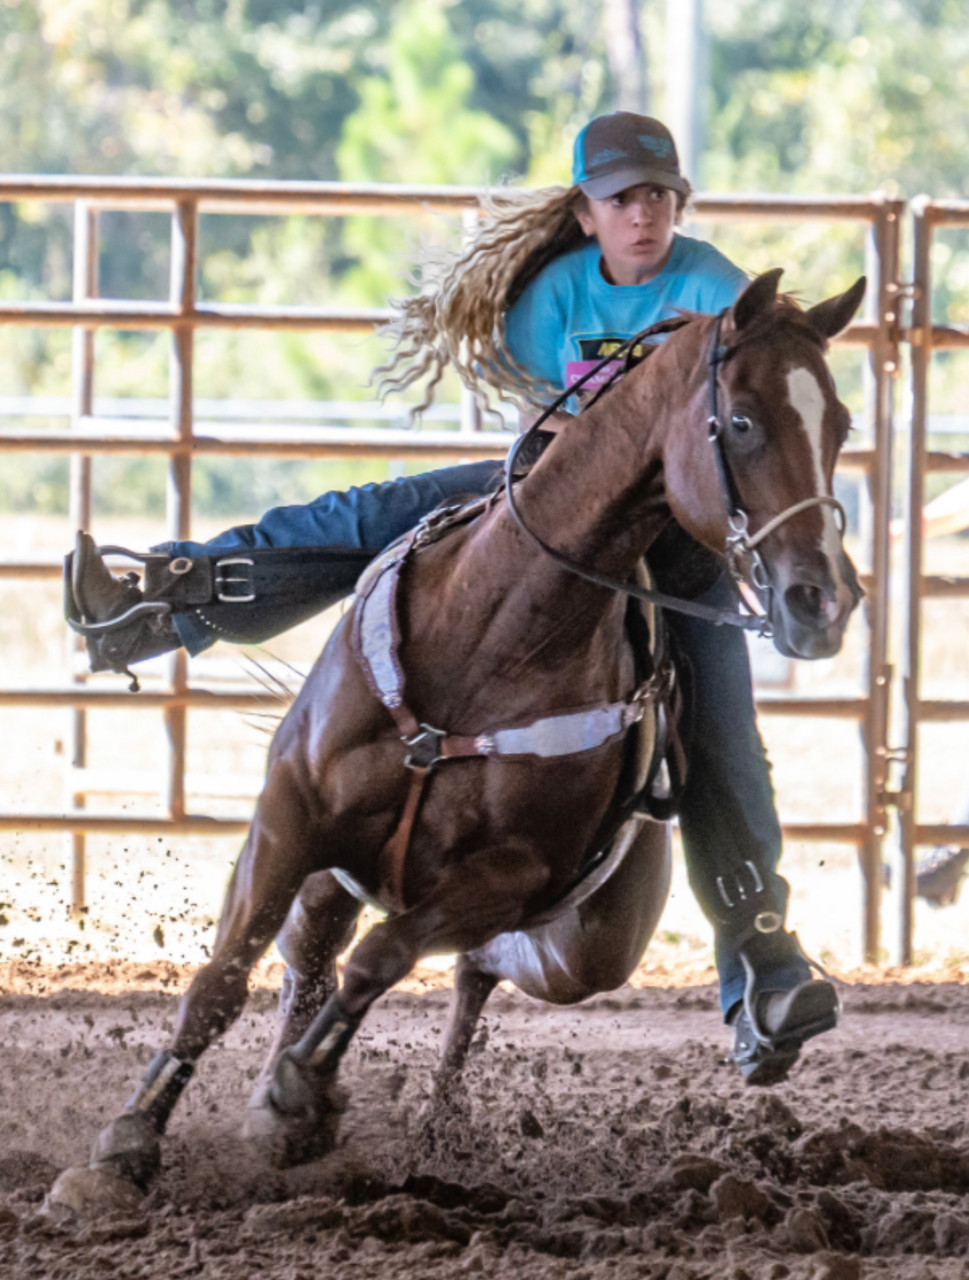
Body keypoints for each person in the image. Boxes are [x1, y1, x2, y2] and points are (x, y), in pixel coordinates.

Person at [67, 112, 839, 1085]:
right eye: (622, 197)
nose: (643, 214)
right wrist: (544, 499)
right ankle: (166, 597)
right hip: (551, 488)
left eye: (659, 195)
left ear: (679, 203)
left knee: (720, 726)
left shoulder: (718, 292)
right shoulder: (555, 295)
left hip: (665, 527)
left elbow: (745, 411)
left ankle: (761, 960)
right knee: (365, 517)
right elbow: (534, 423)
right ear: (589, 211)